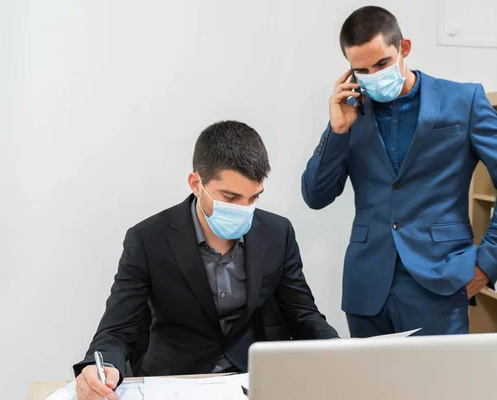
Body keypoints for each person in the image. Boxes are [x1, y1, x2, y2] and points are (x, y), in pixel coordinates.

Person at [301, 6, 497, 338]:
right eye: (362, 70)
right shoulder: (350, 113)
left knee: (439, 388)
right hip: (367, 288)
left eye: (382, 63)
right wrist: (336, 132)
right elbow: (315, 196)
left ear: (404, 48)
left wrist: (489, 261)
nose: (374, 75)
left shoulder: (463, 100)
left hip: (440, 282)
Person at [74, 120, 339, 400]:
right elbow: (116, 329)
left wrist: (339, 350)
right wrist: (99, 366)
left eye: (253, 198)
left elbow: (303, 313)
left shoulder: (277, 232)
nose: (243, 210)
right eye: (230, 197)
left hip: (254, 380)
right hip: (174, 380)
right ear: (196, 184)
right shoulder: (147, 239)